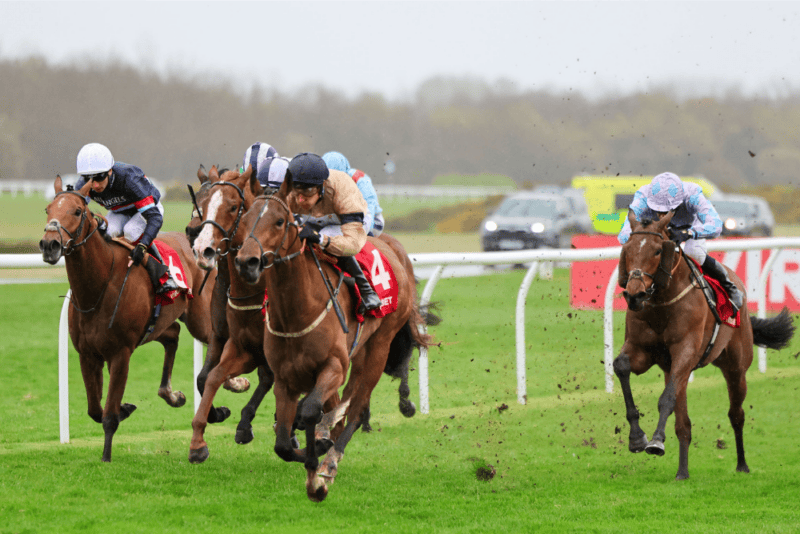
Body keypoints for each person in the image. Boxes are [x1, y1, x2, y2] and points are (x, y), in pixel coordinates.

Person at [618, 171, 743, 312]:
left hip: (690, 228)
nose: (661, 215)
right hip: (655, 233)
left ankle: (728, 286)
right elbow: (623, 234)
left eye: (667, 211)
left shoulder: (693, 195)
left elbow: (716, 225)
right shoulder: (642, 196)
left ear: (678, 203)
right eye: (657, 210)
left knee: (693, 252)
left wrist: (688, 233)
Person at [73, 142, 177, 293]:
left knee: (131, 231)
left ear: (109, 171)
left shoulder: (129, 179)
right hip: (120, 211)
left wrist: (142, 246)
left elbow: (154, 218)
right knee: (105, 232)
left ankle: (166, 274)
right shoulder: (85, 184)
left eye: (99, 177)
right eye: (89, 179)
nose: (95, 185)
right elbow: (75, 206)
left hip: (147, 210)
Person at [286, 152, 382, 312]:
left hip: (353, 217)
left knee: (328, 233)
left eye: (308, 190)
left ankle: (366, 289)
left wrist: (320, 238)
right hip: (320, 213)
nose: (300, 199)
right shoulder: (293, 187)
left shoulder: (345, 187)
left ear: (322, 184)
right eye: (297, 190)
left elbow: (352, 244)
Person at [321, 151, 384, 237]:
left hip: (373, 219)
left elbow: (370, 206)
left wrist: (368, 230)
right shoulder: (321, 181)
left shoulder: (360, 180)